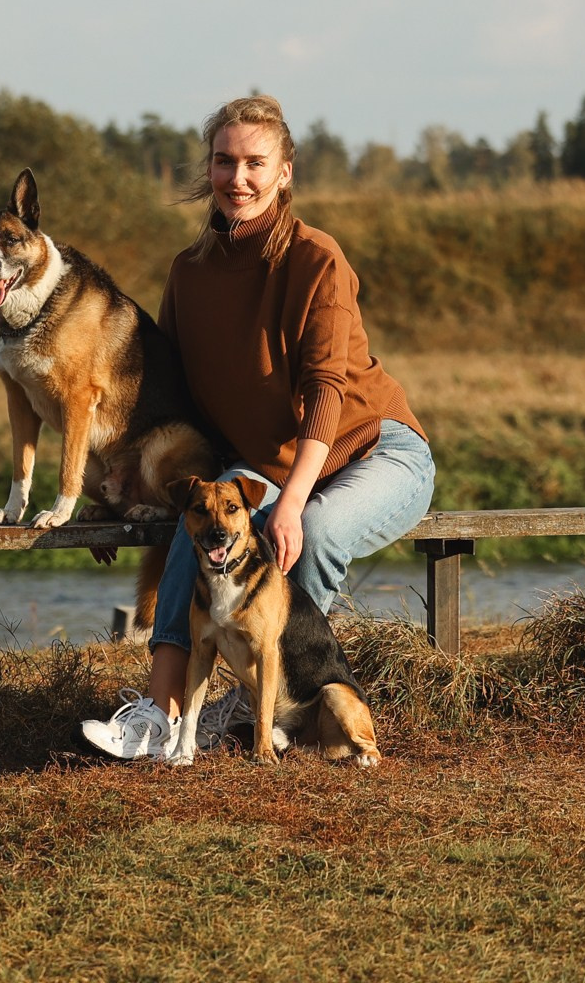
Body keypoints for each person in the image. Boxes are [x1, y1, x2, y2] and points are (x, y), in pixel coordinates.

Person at [81, 95, 435, 761]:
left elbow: (325, 391)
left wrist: (294, 503)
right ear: (208, 169)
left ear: (284, 172)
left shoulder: (317, 260)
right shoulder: (188, 274)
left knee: (318, 529)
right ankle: (158, 718)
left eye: (254, 163)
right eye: (223, 161)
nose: (237, 178)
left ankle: (256, 713)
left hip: (374, 451)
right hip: (270, 465)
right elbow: (166, 397)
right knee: (209, 510)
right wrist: (114, 482)